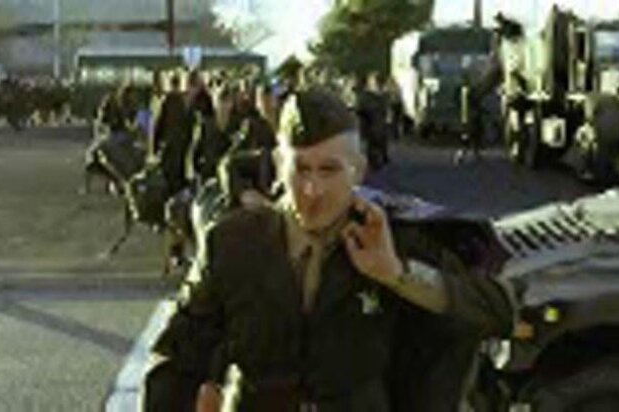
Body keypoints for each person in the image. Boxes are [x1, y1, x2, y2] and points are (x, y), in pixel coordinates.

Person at [143, 88, 516, 411]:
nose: (312, 190)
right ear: (278, 165)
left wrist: (396, 274)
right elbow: (176, 357)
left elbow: (499, 311)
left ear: (359, 170)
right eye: (301, 169)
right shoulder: (232, 242)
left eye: (329, 170)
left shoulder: (392, 237)